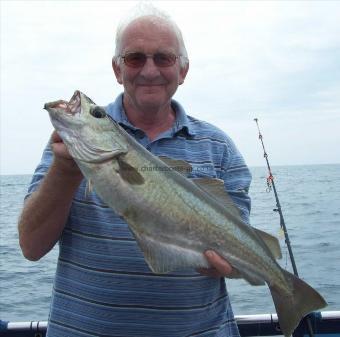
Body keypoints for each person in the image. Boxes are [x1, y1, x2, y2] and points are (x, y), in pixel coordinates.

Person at [19, 4, 251, 337]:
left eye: (164, 58)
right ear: (117, 69)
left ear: (182, 71)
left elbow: (235, 253)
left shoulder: (219, 147)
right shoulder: (66, 148)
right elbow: (31, 247)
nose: (150, 70)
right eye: (135, 58)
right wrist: (66, 171)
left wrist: (225, 265)